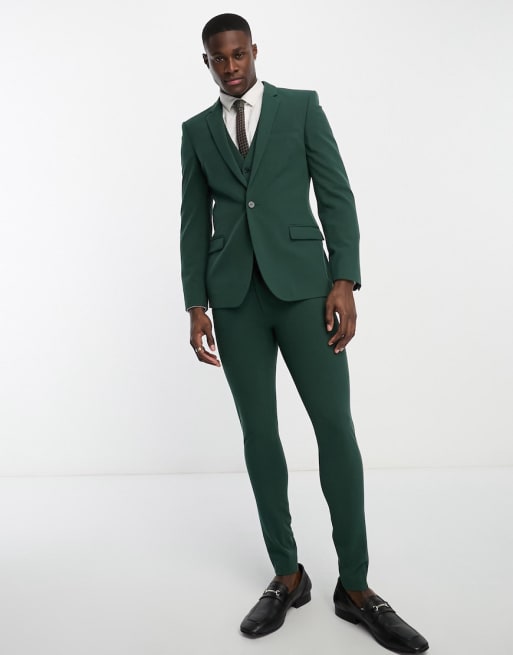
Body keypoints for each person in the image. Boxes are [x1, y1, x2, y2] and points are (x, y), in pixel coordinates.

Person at [180, 12, 429, 653]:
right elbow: (193, 220)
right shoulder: (197, 131)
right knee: (259, 435)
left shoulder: (301, 107)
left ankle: (357, 587)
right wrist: (195, 303)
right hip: (234, 299)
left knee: (334, 428)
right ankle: (287, 576)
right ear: (206, 62)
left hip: (304, 290)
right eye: (218, 58)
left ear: (254, 51)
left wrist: (343, 279)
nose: (231, 66)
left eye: (239, 53)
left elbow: (336, 193)